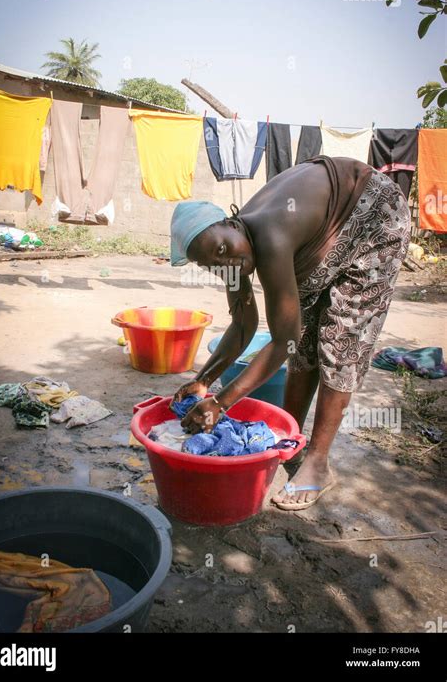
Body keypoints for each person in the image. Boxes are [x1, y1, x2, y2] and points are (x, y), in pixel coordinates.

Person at [170, 156, 411, 510]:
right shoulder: (231, 249)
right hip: (328, 233)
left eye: (222, 250)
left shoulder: (269, 234)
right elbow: (243, 324)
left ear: (231, 223)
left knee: (340, 340)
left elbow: (283, 339)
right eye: (213, 265)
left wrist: (222, 403)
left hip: (374, 217)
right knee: (307, 339)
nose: (226, 264)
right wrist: (204, 379)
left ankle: (317, 463)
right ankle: (291, 435)